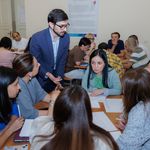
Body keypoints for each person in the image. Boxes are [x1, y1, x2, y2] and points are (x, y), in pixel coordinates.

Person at [30, 85, 119, 150]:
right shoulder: (103, 141)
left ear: (57, 111)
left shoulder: (42, 134)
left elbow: (45, 121)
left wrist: (52, 102)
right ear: (86, 112)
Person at [29, 9, 70, 92]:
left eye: (66, 25)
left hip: (57, 78)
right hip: (41, 77)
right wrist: (48, 74)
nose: (65, 29)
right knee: (41, 103)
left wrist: (59, 78)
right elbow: (35, 62)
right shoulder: (37, 38)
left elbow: (62, 60)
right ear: (51, 24)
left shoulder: (66, 38)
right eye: (61, 26)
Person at [12, 53, 59, 119]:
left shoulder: (31, 78)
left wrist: (59, 101)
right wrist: (55, 113)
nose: (39, 65)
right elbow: (30, 114)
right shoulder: (19, 87)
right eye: (37, 65)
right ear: (29, 73)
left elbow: (42, 94)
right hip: (23, 121)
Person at [116, 68, 150, 149]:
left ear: (133, 93)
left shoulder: (141, 110)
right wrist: (126, 118)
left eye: (124, 89)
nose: (122, 92)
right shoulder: (145, 100)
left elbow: (124, 146)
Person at [0, 66, 24, 148]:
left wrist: (7, 128)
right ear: (3, 88)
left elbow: (14, 115)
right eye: (15, 84)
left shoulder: (9, 99)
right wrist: (10, 129)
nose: (19, 87)